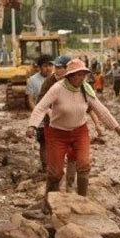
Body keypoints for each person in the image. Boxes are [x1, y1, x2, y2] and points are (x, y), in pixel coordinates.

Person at [26, 59, 120, 197]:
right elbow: (41, 107)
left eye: (82, 75)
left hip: (79, 131)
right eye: (76, 75)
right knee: (55, 172)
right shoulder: (57, 88)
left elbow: (100, 108)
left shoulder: (85, 88)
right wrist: (32, 125)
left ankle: (82, 199)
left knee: (84, 164)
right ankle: (49, 204)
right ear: (69, 75)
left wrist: (115, 126)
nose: (80, 78)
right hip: (57, 133)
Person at [37, 55, 105, 193]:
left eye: (59, 67)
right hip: (53, 126)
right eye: (55, 67)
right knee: (54, 164)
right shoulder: (52, 84)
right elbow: (41, 105)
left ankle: (70, 187)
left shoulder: (81, 86)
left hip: (76, 128)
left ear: (68, 69)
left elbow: (91, 106)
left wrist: (98, 124)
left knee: (76, 158)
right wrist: (46, 116)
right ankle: (51, 195)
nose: (56, 70)